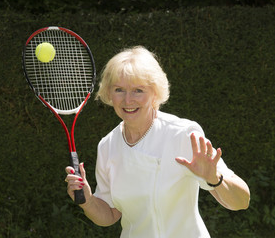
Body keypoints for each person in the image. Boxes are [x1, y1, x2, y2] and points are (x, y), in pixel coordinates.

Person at [65, 46, 250, 237]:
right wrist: (87, 200)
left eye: (138, 90)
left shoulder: (183, 134)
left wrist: (215, 179)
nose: (128, 100)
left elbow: (242, 202)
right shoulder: (107, 146)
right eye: (119, 90)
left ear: (155, 93)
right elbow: (110, 214)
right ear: (109, 94)